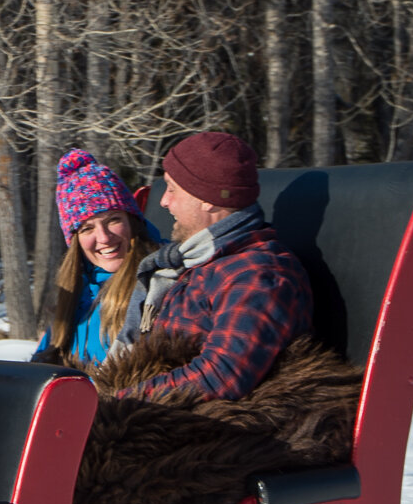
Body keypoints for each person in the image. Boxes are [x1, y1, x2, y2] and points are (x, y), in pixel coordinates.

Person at [115, 131, 313, 400]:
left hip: (211, 428)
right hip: (158, 410)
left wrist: (117, 402)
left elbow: (221, 376)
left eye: (172, 189)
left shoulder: (257, 276)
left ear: (207, 199)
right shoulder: (192, 262)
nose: (164, 201)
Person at [34, 149, 160, 366]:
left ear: (132, 221)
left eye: (113, 220)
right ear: (75, 241)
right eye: (86, 228)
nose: (103, 237)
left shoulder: (157, 284)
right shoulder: (74, 291)